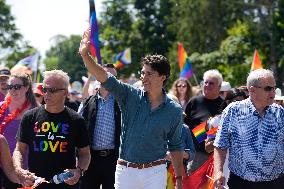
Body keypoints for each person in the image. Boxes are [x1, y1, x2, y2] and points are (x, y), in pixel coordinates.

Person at [79, 29, 184, 189]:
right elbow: (103, 76)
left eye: (149, 74)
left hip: (156, 172)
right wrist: (85, 56)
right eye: (142, 73)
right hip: (125, 170)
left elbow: (176, 146)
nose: (143, 77)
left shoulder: (174, 110)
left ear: (163, 77)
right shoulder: (129, 94)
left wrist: (178, 179)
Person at [13, 70, 91, 189]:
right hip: (35, 183)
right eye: (44, 89)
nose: (46, 94)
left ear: (65, 92)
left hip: (65, 184)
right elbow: (19, 150)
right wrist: (19, 169)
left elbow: (85, 154)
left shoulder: (76, 120)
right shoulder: (29, 117)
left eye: (52, 90)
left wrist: (79, 170)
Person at [214, 69, 284, 189]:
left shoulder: (280, 112)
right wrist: (218, 172)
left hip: (275, 183)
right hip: (241, 183)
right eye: (268, 88)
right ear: (252, 90)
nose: (273, 92)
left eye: (274, 87)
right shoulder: (233, 111)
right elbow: (221, 145)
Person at [79, 64, 121, 189]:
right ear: (98, 76)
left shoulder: (122, 102)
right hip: (90, 159)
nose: (109, 78)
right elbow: (79, 128)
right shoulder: (88, 102)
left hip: (114, 159)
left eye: (113, 76)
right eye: (106, 74)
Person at [204, 88, 248, 188]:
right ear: (228, 102)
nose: (240, 105)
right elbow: (207, 148)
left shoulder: (251, 120)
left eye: (243, 102)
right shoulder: (216, 121)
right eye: (236, 102)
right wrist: (223, 136)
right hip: (224, 169)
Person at [0, 73, 38, 189]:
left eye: (17, 87)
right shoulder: (1, 108)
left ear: (27, 88)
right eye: (10, 87)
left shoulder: (36, 112)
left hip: (25, 168)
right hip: (2, 166)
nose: (13, 90)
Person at [184, 69, 224, 173]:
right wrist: (207, 127)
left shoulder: (225, 105)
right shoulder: (194, 102)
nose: (207, 85)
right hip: (196, 154)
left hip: (217, 155)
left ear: (219, 87)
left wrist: (210, 128)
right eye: (205, 82)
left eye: (211, 83)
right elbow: (185, 127)